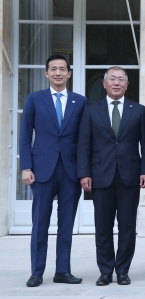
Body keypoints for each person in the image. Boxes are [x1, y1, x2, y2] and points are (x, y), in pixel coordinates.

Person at [77, 66, 145, 286]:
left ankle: (123, 270)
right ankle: (106, 271)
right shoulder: (91, 110)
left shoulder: (138, 110)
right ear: (104, 83)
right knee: (103, 226)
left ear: (127, 84)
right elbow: (84, 145)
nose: (116, 83)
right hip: (100, 175)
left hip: (130, 176)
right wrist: (84, 173)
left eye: (121, 80)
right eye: (112, 79)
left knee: (127, 227)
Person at [20, 54, 87, 287]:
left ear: (69, 73)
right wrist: (25, 167)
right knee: (40, 223)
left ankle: (63, 270)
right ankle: (37, 272)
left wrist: (84, 171)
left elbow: (85, 139)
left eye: (62, 69)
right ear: (46, 73)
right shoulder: (35, 99)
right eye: (53, 69)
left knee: (66, 223)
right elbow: (25, 135)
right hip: (41, 170)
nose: (58, 72)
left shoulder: (81, 101)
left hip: (70, 171)